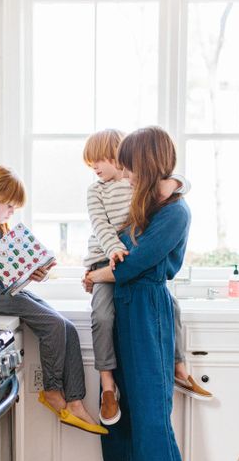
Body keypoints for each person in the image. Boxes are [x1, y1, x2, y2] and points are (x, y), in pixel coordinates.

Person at [83, 126, 204, 461]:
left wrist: (98, 276)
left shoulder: (175, 212)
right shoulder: (141, 201)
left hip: (148, 311)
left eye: (131, 166)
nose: (126, 174)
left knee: (154, 417)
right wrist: (100, 273)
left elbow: (133, 265)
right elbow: (112, 252)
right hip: (121, 306)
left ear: (148, 164)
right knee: (123, 417)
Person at [0, 165, 108, 436]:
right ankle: (53, 392)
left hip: (5, 291)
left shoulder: (0, 228)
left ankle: (76, 401)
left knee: (66, 326)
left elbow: (8, 274)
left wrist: (34, 274)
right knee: (54, 325)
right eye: (9, 205)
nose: (11, 212)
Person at [83, 129, 212, 426]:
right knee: (102, 317)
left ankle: (180, 368)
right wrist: (111, 255)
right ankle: (107, 387)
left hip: (128, 265)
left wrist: (176, 182)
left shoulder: (136, 185)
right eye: (91, 164)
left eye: (100, 159)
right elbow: (100, 226)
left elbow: (176, 185)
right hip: (105, 257)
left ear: (121, 158)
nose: (96, 168)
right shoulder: (96, 191)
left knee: (172, 308)